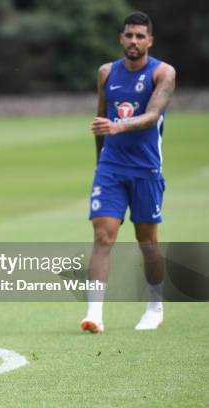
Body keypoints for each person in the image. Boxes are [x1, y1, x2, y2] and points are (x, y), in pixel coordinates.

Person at [82, 11, 176, 334]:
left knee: (147, 242)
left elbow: (151, 116)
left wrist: (117, 126)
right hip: (110, 169)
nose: (134, 41)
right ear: (121, 39)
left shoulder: (162, 73)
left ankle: (155, 305)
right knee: (102, 235)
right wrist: (99, 163)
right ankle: (95, 314)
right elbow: (100, 120)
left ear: (150, 40)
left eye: (140, 36)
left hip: (146, 168)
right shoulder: (106, 73)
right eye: (129, 35)